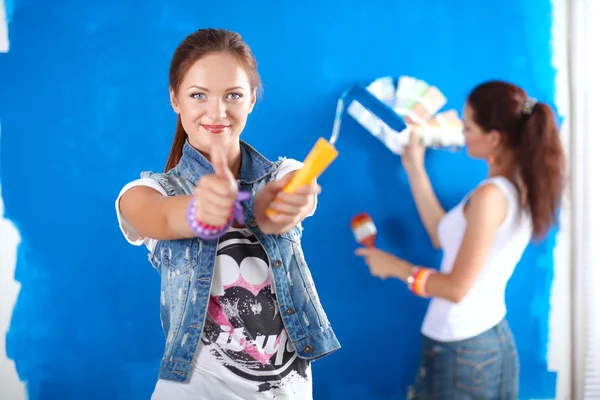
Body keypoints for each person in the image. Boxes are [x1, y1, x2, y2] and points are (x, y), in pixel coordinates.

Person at [115, 28, 340, 400]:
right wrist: (197, 211)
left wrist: (279, 203)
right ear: (175, 99)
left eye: (233, 95)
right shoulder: (149, 192)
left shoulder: (281, 173)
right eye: (198, 95)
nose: (216, 112)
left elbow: (287, 198)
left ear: (252, 99)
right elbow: (159, 216)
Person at [355, 80, 565, 399]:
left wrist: (396, 266)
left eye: (468, 127)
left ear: (493, 138)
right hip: (485, 339)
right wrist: (414, 167)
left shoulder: (491, 196)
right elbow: (443, 236)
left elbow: (455, 289)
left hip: (463, 348)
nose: (461, 133)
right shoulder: (511, 189)